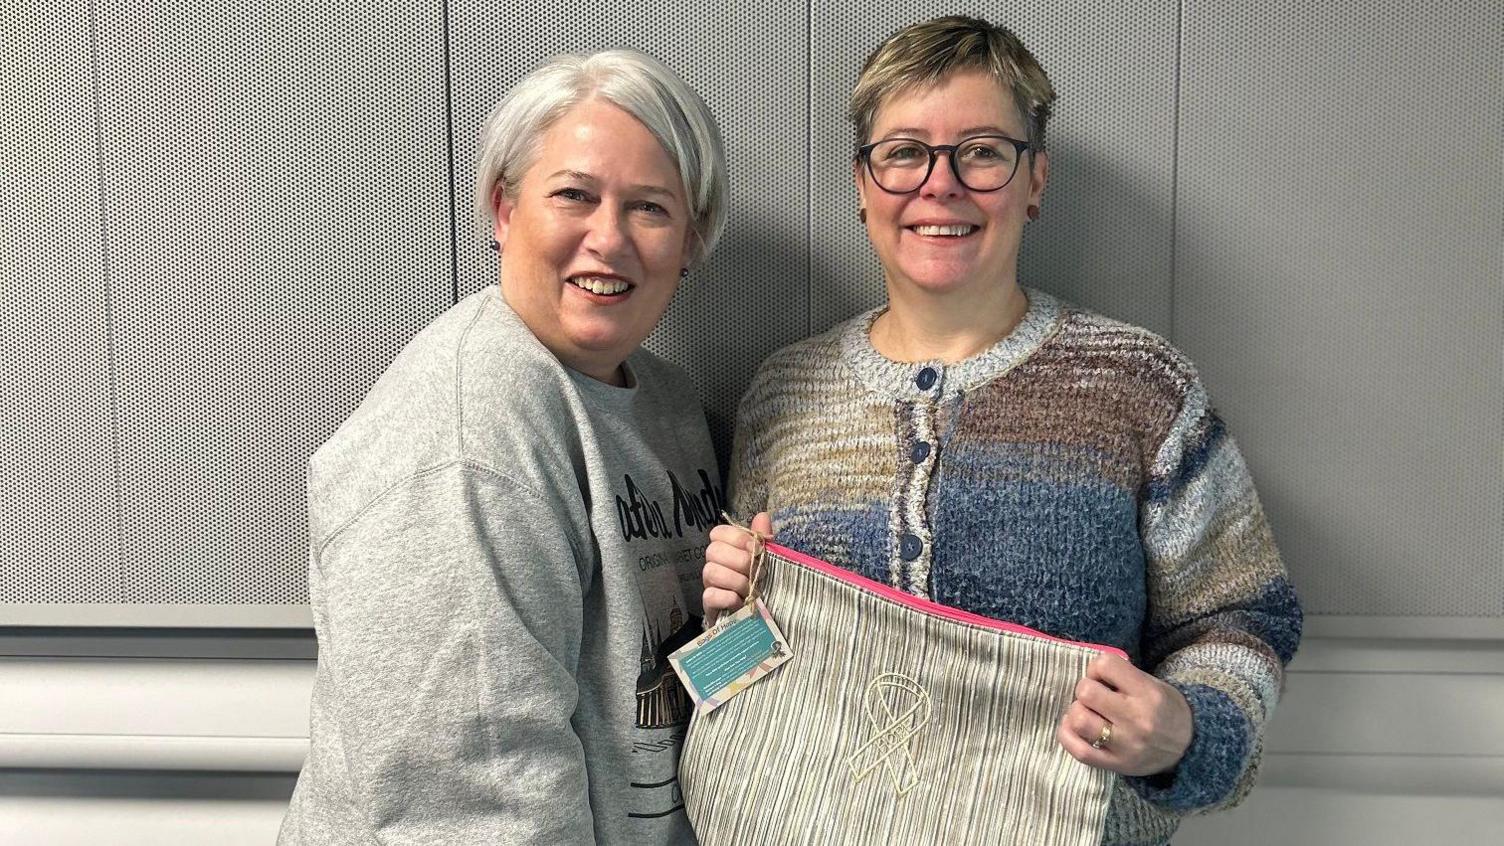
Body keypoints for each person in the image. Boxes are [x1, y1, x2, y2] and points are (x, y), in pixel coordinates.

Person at [700, 16, 1301, 846]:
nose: (939, 185)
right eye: (904, 151)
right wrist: (727, 613)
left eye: (981, 151)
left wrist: (1189, 733)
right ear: (862, 184)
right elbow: (744, 668)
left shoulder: (1138, 384)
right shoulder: (782, 392)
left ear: (1035, 181)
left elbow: (1240, 617)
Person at [281, 49, 727, 844]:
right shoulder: (469, 430)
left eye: (650, 208)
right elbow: (473, 798)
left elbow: (662, 683)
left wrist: (742, 616)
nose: (609, 238)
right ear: (504, 209)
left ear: (692, 241)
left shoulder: (666, 403)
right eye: (574, 196)